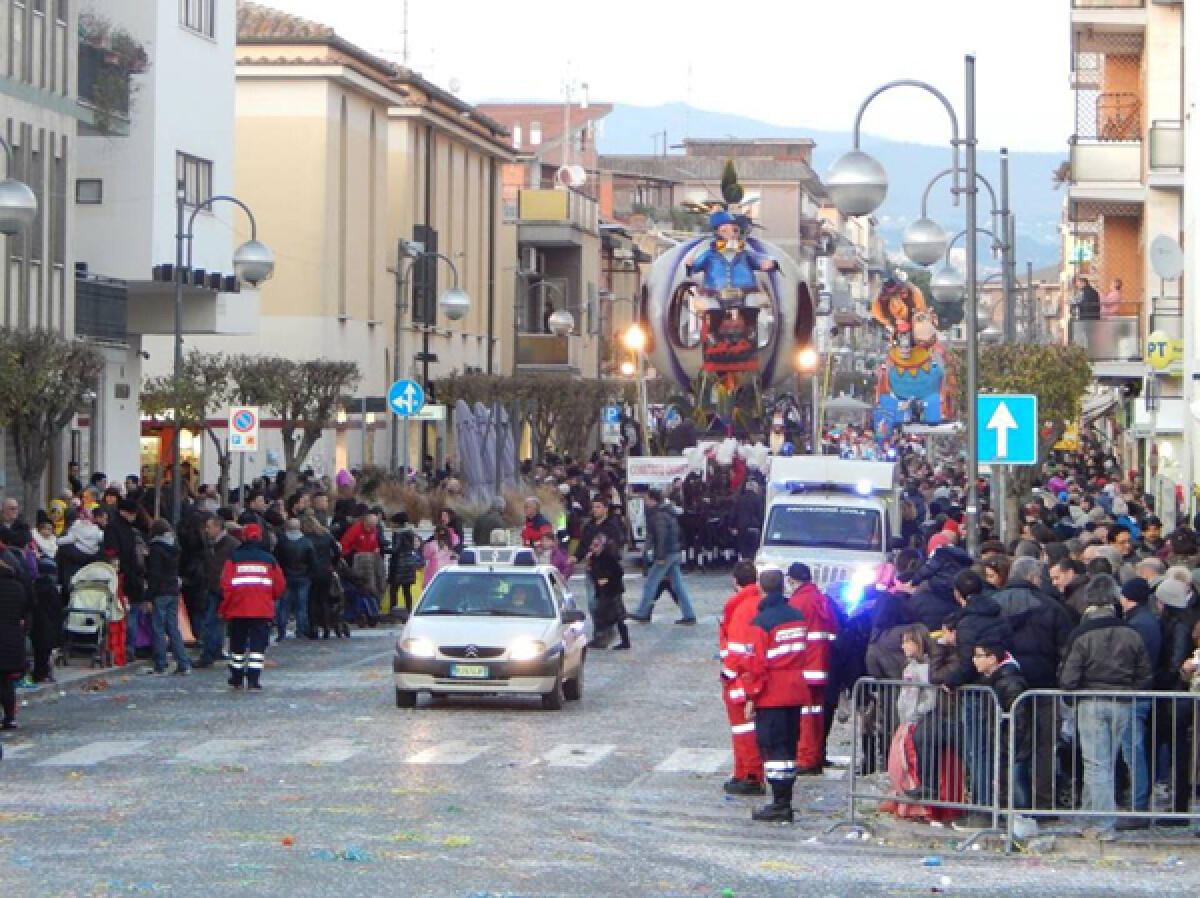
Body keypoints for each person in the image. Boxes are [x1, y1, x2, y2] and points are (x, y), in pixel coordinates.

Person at [1058, 575, 1152, 840]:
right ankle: (1089, 818)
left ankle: (1101, 824)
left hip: (1091, 702)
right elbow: (1145, 675)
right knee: (1105, 764)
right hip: (1123, 703)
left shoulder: (1082, 635)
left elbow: (1068, 679)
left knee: (1096, 764)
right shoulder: (1131, 634)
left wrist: (1073, 696)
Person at [740, 567, 809, 823]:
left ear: (761, 589)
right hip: (796, 690)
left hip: (772, 694)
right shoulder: (797, 617)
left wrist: (751, 697)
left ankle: (780, 803)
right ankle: (785, 799)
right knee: (790, 747)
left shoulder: (761, 623)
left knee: (773, 748)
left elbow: (755, 665)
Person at [785, 562, 839, 774]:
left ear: (792, 580)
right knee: (816, 715)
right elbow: (833, 630)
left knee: (806, 717)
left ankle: (806, 759)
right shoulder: (821, 598)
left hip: (805, 667)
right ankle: (816, 756)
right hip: (822, 666)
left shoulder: (798, 602)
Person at [219, 523, 285, 690]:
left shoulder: (234, 558)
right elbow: (279, 585)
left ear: (244, 537)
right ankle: (254, 679)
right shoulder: (269, 559)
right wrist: (270, 598)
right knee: (258, 646)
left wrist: (224, 608)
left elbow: (226, 586)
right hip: (262, 609)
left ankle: (236, 677)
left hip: (238, 608)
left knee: (237, 645)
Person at [719, 560, 765, 796]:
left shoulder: (740, 608)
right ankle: (743, 772)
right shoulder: (758, 603)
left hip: (740, 679)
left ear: (735, 581)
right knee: (746, 729)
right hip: (751, 676)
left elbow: (737, 649)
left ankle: (750, 774)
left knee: (743, 729)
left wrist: (727, 675)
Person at [629, 489, 697, 625]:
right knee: (678, 586)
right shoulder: (667, 512)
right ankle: (689, 614)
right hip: (673, 551)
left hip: (666, 553)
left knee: (651, 582)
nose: (645, 501)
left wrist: (659, 555)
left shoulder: (658, 515)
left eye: (646, 498)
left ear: (652, 499)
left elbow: (661, 536)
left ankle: (642, 612)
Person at [143, 519, 190, 676]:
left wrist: (149, 596)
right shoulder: (175, 547)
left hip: (160, 591)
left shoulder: (156, 548)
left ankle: (160, 663)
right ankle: (183, 662)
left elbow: (154, 574)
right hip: (173, 590)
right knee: (173, 627)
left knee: (158, 628)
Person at [196, 514, 238, 667]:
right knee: (216, 622)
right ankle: (215, 651)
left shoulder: (230, 545)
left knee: (211, 622)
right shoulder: (213, 544)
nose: (206, 530)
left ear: (218, 527)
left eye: (209, 527)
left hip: (221, 588)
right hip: (215, 587)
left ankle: (209, 654)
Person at [0, 556, 31, 730]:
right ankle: (9, 717)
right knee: (6, 682)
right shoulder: (18, 587)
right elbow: (25, 610)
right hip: (12, 638)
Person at [585, 534, 629, 651]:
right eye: (593, 545)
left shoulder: (608, 557)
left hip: (613, 590)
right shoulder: (593, 558)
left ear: (602, 546)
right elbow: (593, 574)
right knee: (601, 615)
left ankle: (624, 641)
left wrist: (607, 580)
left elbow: (619, 572)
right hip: (602, 592)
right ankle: (601, 639)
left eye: (596, 545)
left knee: (617, 617)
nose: (593, 548)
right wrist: (589, 566)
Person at [274, 518, 315, 641]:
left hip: (286, 577)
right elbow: (312, 561)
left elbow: (277, 560)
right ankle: (301, 630)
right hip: (303, 577)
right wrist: (309, 574)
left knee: (284, 606)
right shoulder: (307, 542)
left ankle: (281, 631)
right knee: (301, 606)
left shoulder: (282, 543)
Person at [301, 513, 339, 636]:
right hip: (326, 570)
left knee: (312, 600)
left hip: (311, 572)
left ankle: (314, 627)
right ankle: (326, 627)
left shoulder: (306, 539)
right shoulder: (326, 536)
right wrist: (333, 564)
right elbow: (337, 551)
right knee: (324, 600)